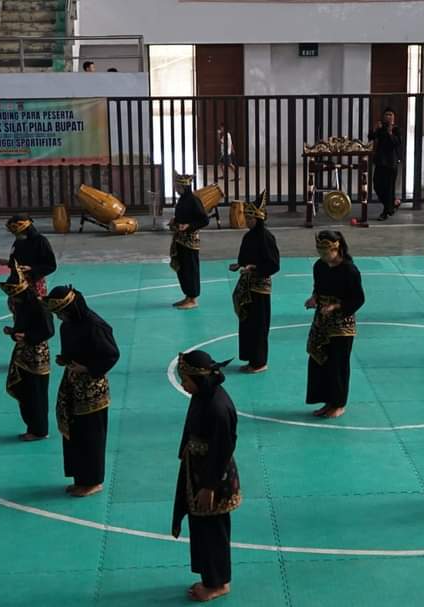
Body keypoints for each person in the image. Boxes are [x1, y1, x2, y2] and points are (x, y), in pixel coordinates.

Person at [171, 350, 241, 603]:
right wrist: (184, 451)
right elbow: (190, 426)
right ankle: (210, 577)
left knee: (213, 532)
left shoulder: (218, 408)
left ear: (199, 380)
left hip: (213, 479)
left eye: (186, 380)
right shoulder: (203, 395)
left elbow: (223, 449)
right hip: (198, 470)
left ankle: (218, 583)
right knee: (201, 528)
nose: (183, 385)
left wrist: (209, 487)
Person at [45, 286, 120, 497]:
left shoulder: (95, 326)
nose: (59, 317)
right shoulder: (68, 325)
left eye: (61, 312)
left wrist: (86, 368)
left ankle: (93, 481)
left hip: (91, 389)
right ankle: (80, 478)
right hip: (72, 383)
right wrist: (66, 360)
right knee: (74, 432)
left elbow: (111, 355)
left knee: (91, 435)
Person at [305, 231, 365, 419]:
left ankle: (339, 404)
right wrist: (314, 298)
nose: (322, 256)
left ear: (336, 248)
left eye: (326, 252)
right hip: (322, 319)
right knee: (319, 359)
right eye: (320, 252)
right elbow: (318, 287)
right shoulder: (319, 266)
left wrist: (337, 306)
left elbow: (358, 298)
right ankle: (327, 401)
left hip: (341, 325)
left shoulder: (349, 270)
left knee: (338, 364)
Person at [0, 267, 54, 441]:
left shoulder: (39, 306)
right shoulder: (22, 305)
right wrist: (14, 332)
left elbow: (48, 331)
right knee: (26, 392)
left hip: (36, 356)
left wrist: (27, 336)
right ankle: (33, 427)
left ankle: (39, 430)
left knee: (35, 393)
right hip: (23, 353)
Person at [230, 192, 280, 374]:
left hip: (259, 289)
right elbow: (245, 258)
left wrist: (254, 269)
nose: (246, 219)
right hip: (247, 286)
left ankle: (259, 362)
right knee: (247, 324)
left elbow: (273, 265)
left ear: (257, 218)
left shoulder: (266, 238)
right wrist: (240, 265)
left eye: (248, 217)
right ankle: (251, 359)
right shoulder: (249, 236)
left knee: (259, 326)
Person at [170, 174, 210, 310]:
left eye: (177, 186)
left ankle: (193, 298)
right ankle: (187, 295)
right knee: (182, 269)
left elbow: (204, 220)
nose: (176, 188)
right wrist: (175, 222)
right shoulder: (182, 200)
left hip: (190, 241)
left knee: (191, 269)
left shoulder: (194, 201)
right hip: (180, 239)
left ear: (184, 187)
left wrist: (189, 226)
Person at [0, 214, 57, 298]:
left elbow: (51, 266)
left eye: (16, 231)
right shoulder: (18, 241)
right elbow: (17, 262)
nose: (14, 235)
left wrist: (31, 269)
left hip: (34, 284)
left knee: (35, 309)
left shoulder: (40, 241)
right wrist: (8, 262)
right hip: (17, 284)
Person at [368, 108, 402, 221]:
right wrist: (375, 129)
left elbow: (395, 143)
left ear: (393, 117)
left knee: (389, 189)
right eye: (386, 114)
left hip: (391, 163)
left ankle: (386, 212)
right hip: (380, 162)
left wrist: (390, 132)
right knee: (377, 185)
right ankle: (392, 204)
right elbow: (371, 138)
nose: (388, 116)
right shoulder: (380, 128)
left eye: (390, 114)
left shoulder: (396, 129)